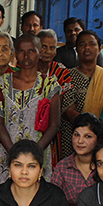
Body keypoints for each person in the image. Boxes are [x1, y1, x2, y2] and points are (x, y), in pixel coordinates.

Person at [0, 34, 61, 187]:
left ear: (40, 53)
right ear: (15, 54)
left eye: (31, 51)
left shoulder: (50, 85)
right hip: (7, 152)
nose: (26, 56)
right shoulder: (2, 83)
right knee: (4, 194)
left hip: (38, 152)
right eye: (21, 51)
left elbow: (54, 124)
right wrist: (13, 153)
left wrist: (34, 153)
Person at [59, 30, 103, 159]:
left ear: (99, 49)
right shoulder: (67, 76)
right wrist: (88, 132)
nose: (87, 48)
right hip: (75, 140)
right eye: (82, 44)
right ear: (77, 50)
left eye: (92, 44)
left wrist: (102, 133)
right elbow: (68, 109)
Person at [37, 29, 73, 165]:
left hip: (52, 127)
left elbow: (59, 106)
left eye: (52, 48)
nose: (47, 51)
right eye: (43, 47)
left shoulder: (61, 71)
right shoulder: (25, 69)